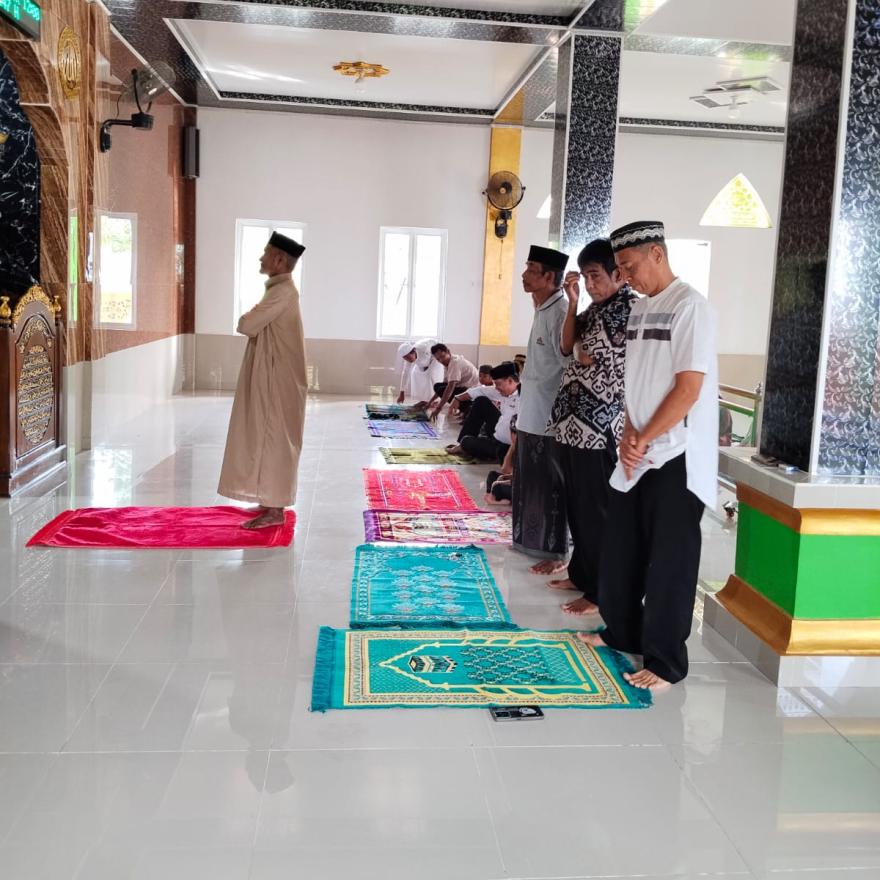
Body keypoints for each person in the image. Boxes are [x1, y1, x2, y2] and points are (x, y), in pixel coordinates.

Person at [578, 220, 718, 692]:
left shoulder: (690, 306)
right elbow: (636, 382)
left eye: (629, 266)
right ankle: (622, 632)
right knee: (622, 550)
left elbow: (688, 388)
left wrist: (645, 437)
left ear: (657, 254)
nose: (625, 277)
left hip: (677, 453)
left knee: (669, 563)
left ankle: (665, 661)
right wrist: (629, 433)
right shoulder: (640, 309)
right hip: (638, 449)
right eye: (619, 268)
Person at [546, 238, 635, 616]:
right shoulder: (596, 308)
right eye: (585, 277)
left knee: (596, 511)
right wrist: (572, 303)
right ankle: (581, 574)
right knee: (578, 506)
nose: (590, 284)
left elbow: (591, 356)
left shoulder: (626, 309)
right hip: (573, 425)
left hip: (599, 428)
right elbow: (568, 348)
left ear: (618, 274)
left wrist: (583, 351)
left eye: (595, 276)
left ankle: (601, 592)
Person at [218, 232, 308, 529]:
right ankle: (269, 500)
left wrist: (249, 317)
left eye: (265, 253)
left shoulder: (283, 292)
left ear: (279, 260)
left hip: (277, 382)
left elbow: (247, 324)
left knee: (275, 440)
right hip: (271, 378)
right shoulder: (278, 290)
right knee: (266, 438)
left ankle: (275, 509)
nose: (261, 258)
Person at [513, 245, 571, 573]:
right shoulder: (542, 307)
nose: (524, 275)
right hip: (531, 412)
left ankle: (555, 551)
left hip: (549, 416)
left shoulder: (561, 311)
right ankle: (530, 542)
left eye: (532, 269)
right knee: (530, 480)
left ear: (549, 277)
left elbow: (567, 364)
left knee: (550, 484)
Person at [447, 361, 519, 462]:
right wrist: (457, 398)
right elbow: (478, 391)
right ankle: (462, 446)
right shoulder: (500, 391)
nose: (496, 388)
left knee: (468, 443)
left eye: (498, 384)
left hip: (509, 447)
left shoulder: (525, 398)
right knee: (481, 401)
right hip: (497, 438)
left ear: (510, 381)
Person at [422, 343, 480, 419]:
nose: (441, 360)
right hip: (464, 389)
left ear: (448, 352)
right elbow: (443, 386)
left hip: (472, 393)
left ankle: (466, 409)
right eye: (438, 359)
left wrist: (438, 408)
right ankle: (464, 408)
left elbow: (450, 387)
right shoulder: (447, 363)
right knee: (438, 386)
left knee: (443, 389)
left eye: (442, 356)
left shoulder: (455, 363)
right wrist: (430, 402)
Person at [396, 338, 443, 404]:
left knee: (430, 375)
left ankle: (435, 400)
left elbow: (438, 349)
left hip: (436, 357)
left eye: (408, 357)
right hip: (424, 361)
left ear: (413, 351)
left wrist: (430, 367)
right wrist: (402, 393)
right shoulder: (408, 358)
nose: (407, 360)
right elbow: (405, 373)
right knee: (414, 374)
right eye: (405, 358)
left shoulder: (424, 348)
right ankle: (423, 399)